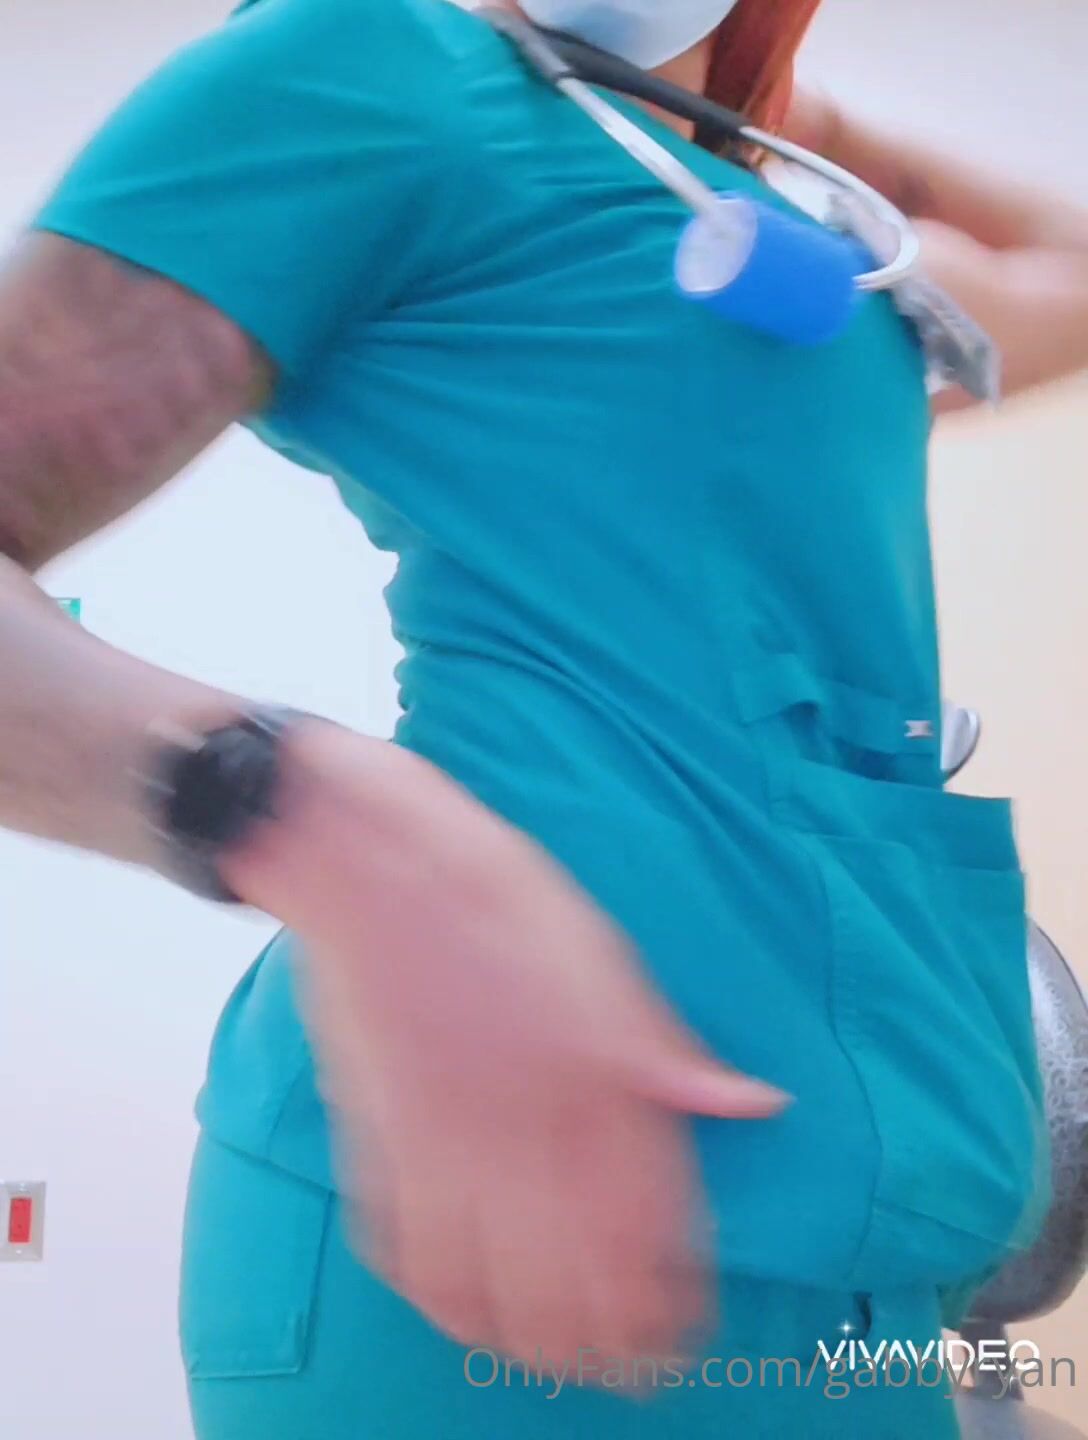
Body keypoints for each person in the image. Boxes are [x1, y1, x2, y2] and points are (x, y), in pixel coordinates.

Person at [1, 0, 1086, 1435]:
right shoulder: (378, 63)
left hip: (877, 1239)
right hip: (488, 1222)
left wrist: (769, 102)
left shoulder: (808, 246)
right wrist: (315, 823)